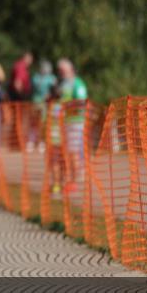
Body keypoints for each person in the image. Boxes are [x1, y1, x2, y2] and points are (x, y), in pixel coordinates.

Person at [56, 58, 88, 194]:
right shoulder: (63, 84)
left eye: (63, 70)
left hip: (76, 122)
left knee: (74, 152)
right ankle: (66, 180)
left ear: (71, 70)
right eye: (60, 71)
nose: (61, 73)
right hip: (65, 122)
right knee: (65, 153)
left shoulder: (78, 84)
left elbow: (81, 103)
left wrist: (66, 107)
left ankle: (74, 182)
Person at [29, 59, 56, 152]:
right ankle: (32, 141)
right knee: (34, 123)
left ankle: (42, 142)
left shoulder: (51, 78)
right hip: (36, 102)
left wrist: (50, 95)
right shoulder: (36, 77)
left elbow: (54, 90)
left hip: (45, 104)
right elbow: (35, 86)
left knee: (43, 124)